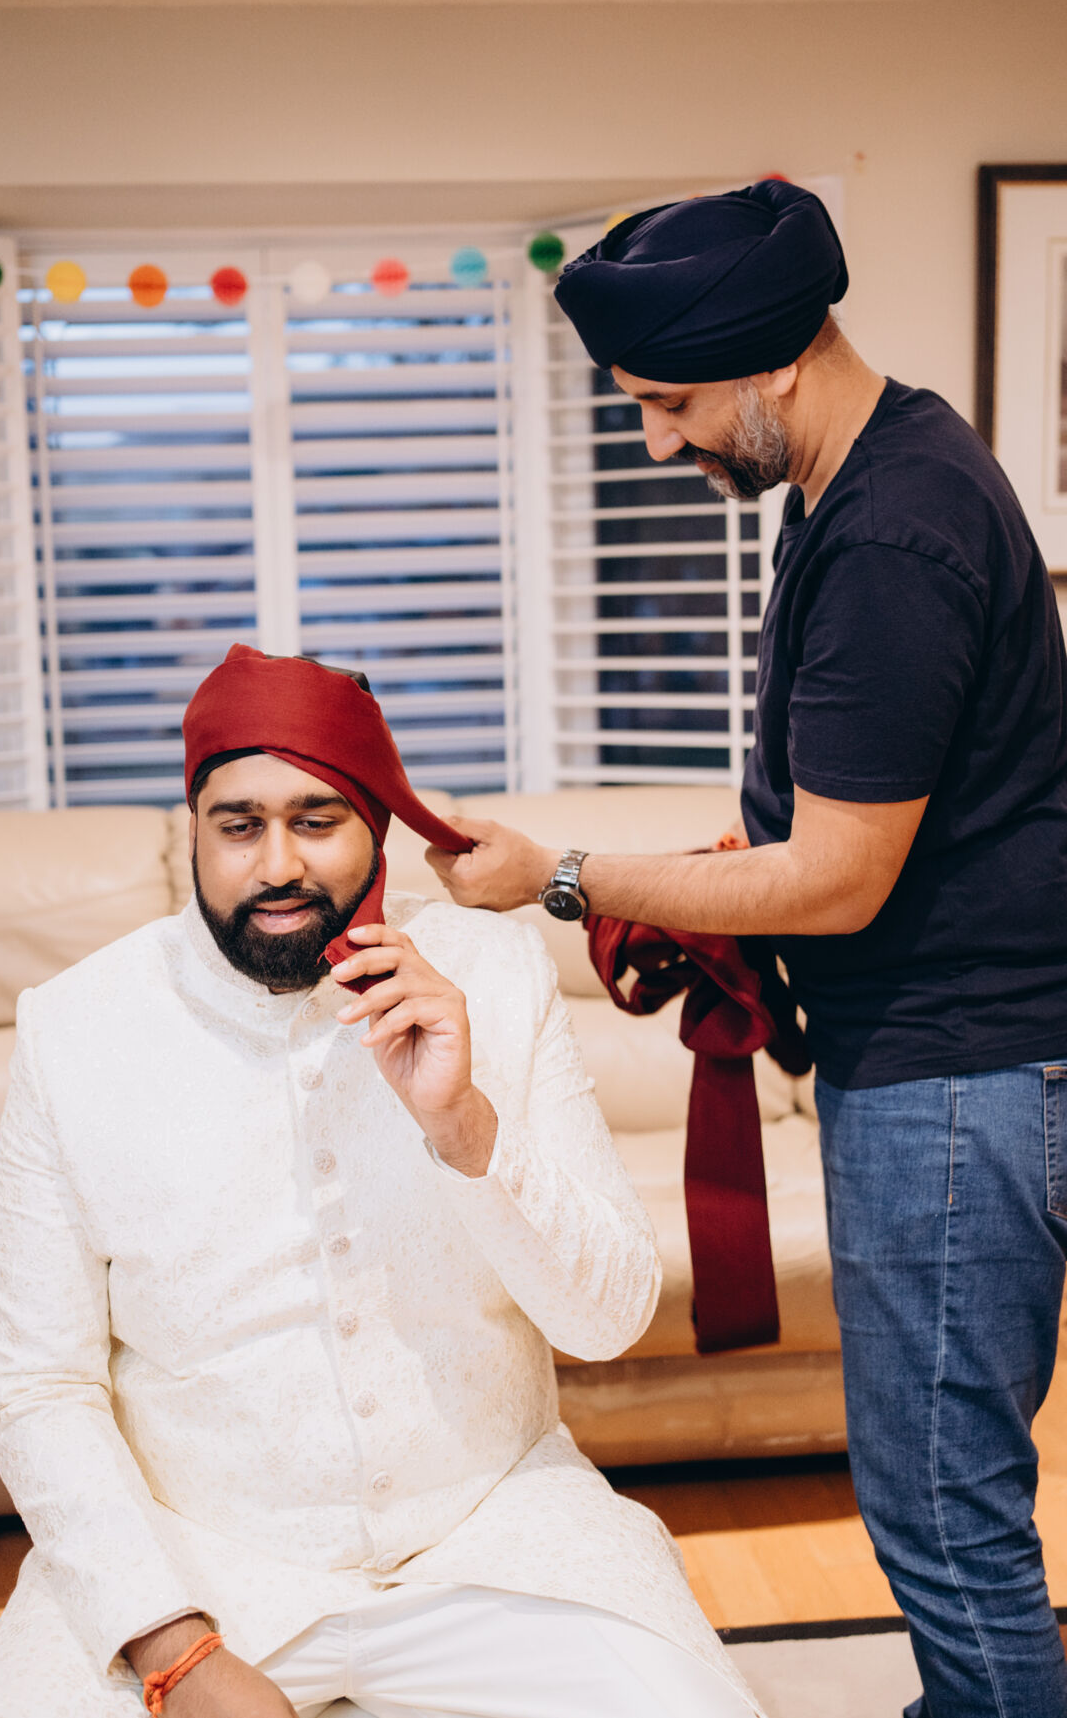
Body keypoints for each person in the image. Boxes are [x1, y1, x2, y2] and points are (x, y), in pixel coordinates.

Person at [427, 180, 1067, 1718]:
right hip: (956, 1062)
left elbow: (838, 882)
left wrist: (560, 875)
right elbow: (855, 814)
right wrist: (744, 858)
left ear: (776, 357)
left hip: (956, 1079)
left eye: (670, 404)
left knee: (941, 1502)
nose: (656, 442)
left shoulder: (893, 533)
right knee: (946, 1481)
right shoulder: (864, 477)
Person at [0, 643, 757, 1718]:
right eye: (239, 825)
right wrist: (174, 1650)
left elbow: (607, 1320)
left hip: (496, 1538)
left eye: (316, 820)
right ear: (193, 832)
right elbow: (35, 1384)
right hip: (190, 1563)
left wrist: (462, 1122)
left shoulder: (494, 973)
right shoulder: (74, 1029)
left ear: (376, 826)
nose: (277, 864)